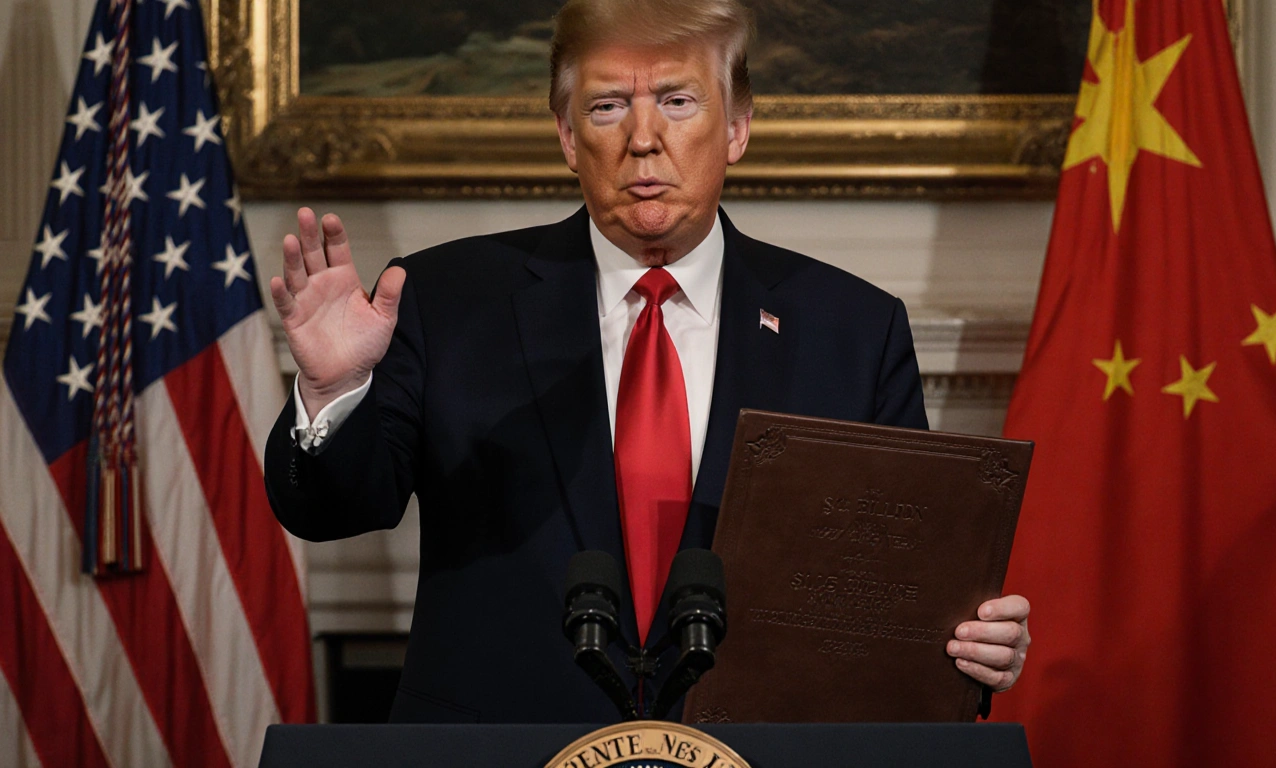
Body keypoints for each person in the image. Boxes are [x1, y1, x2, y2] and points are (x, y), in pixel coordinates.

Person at [264, 0, 1030, 724]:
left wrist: (964, 647)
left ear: (737, 128)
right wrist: (334, 391)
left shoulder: (853, 331)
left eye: (677, 101)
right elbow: (334, 511)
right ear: (568, 136)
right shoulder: (445, 300)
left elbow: (892, 595)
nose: (642, 138)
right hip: (508, 749)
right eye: (606, 107)